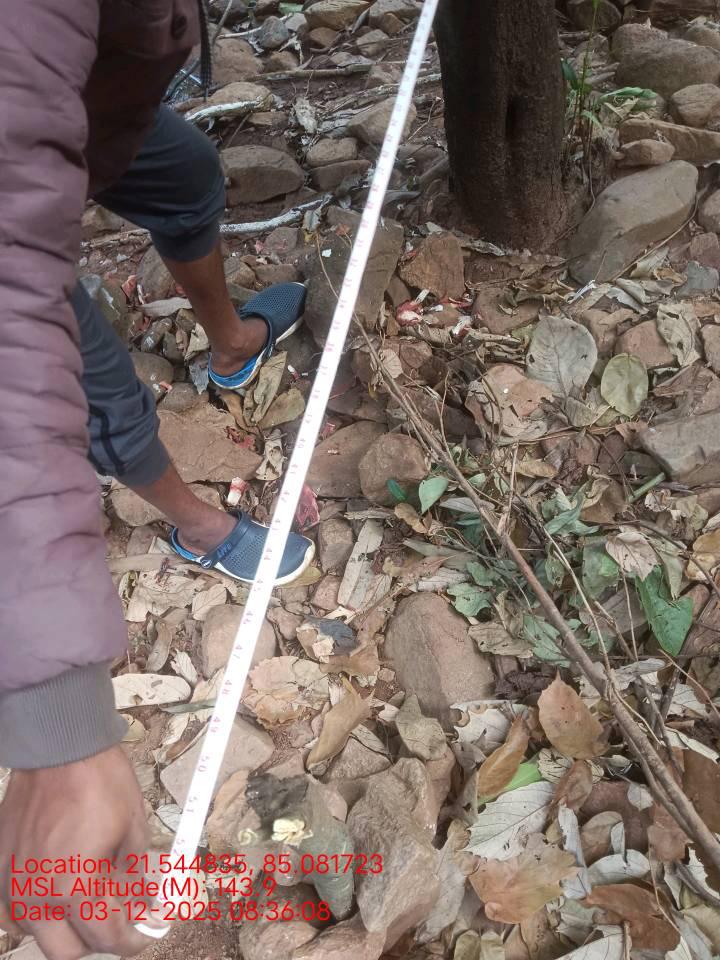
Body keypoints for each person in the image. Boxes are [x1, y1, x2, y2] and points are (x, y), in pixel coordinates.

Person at [0, 1, 313, 956]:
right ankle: (197, 525)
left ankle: (232, 345)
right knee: (98, 386)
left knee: (189, 174)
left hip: (90, 95)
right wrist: (54, 720)